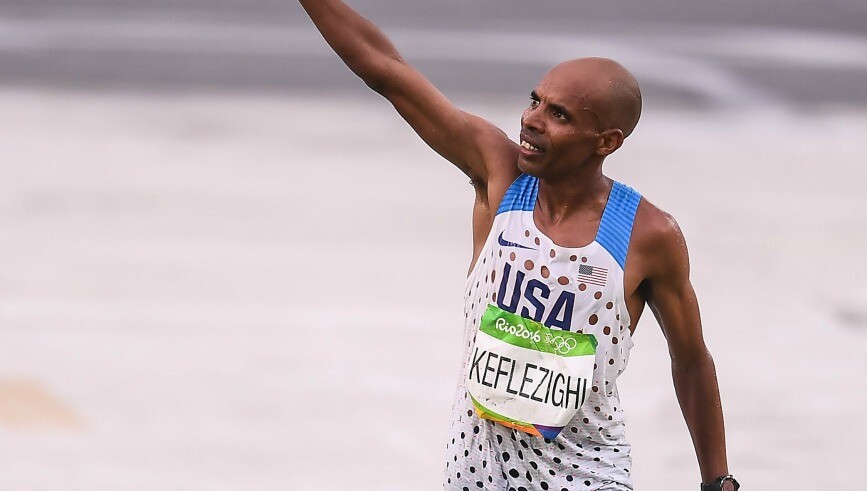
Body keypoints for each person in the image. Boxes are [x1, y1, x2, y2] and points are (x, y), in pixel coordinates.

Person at [296, 1, 738, 490]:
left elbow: (691, 358)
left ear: (606, 141)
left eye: (559, 114)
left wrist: (717, 479)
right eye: (535, 101)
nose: (531, 119)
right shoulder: (500, 175)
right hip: (475, 475)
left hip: (586, 478)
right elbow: (385, 70)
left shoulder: (648, 235)